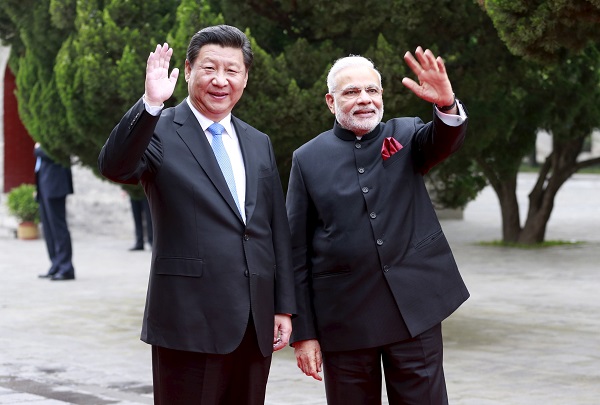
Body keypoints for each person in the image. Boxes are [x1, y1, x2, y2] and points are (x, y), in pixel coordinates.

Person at [98, 25, 296, 404]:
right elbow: (116, 166)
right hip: (188, 320)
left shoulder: (258, 142)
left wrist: (283, 306)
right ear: (188, 71)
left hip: (255, 322)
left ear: (245, 77)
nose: (220, 80)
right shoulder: (160, 131)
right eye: (209, 68)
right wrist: (150, 104)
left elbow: (274, 229)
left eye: (232, 70)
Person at [286, 47, 470, 404]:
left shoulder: (407, 132)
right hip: (345, 318)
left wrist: (446, 105)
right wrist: (304, 333)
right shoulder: (307, 158)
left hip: (415, 308)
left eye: (372, 90)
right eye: (351, 92)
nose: (364, 99)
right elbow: (296, 251)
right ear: (330, 101)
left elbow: (443, 141)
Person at [35, 143, 76, 281]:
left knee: (59, 228)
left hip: (55, 186)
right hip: (44, 185)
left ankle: (66, 267)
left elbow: (57, 156)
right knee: (48, 229)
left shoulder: (54, 137)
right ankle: (56, 264)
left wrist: (38, 149)